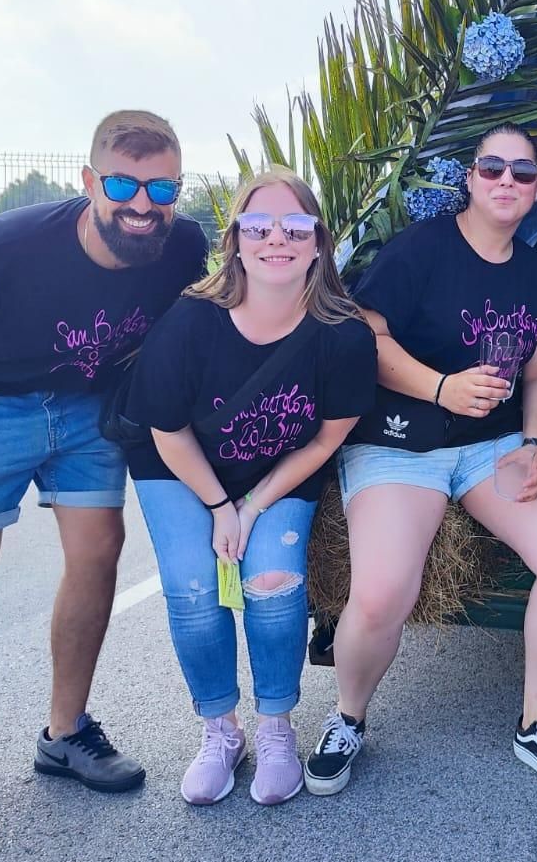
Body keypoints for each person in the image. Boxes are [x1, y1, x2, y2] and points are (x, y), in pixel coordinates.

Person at [0, 110, 208, 854]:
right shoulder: (10, 243)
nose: (142, 204)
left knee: (98, 551)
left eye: (162, 186)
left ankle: (65, 734)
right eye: (123, 183)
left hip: (87, 407)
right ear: (90, 180)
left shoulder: (181, 245)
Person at [313, 122, 537, 797]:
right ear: (470, 178)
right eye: (492, 168)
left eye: (523, 173)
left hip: (491, 446)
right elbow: (367, 339)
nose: (507, 182)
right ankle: (349, 716)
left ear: (536, 189)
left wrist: (533, 445)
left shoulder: (534, 273)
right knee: (383, 593)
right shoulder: (421, 249)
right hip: (401, 440)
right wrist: (441, 386)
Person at [125, 169, 375, 806]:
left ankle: (275, 727)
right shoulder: (192, 320)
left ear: (318, 242)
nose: (276, 241)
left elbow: (325, 439)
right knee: (192, 585)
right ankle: (220, 730)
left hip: (275, 472)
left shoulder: (343, 334)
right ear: (235, 239)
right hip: (180, 465)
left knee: (272, 581)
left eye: (295, 228)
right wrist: (217, 506)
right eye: (258, 227)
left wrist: (253, 505)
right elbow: (168, 429)